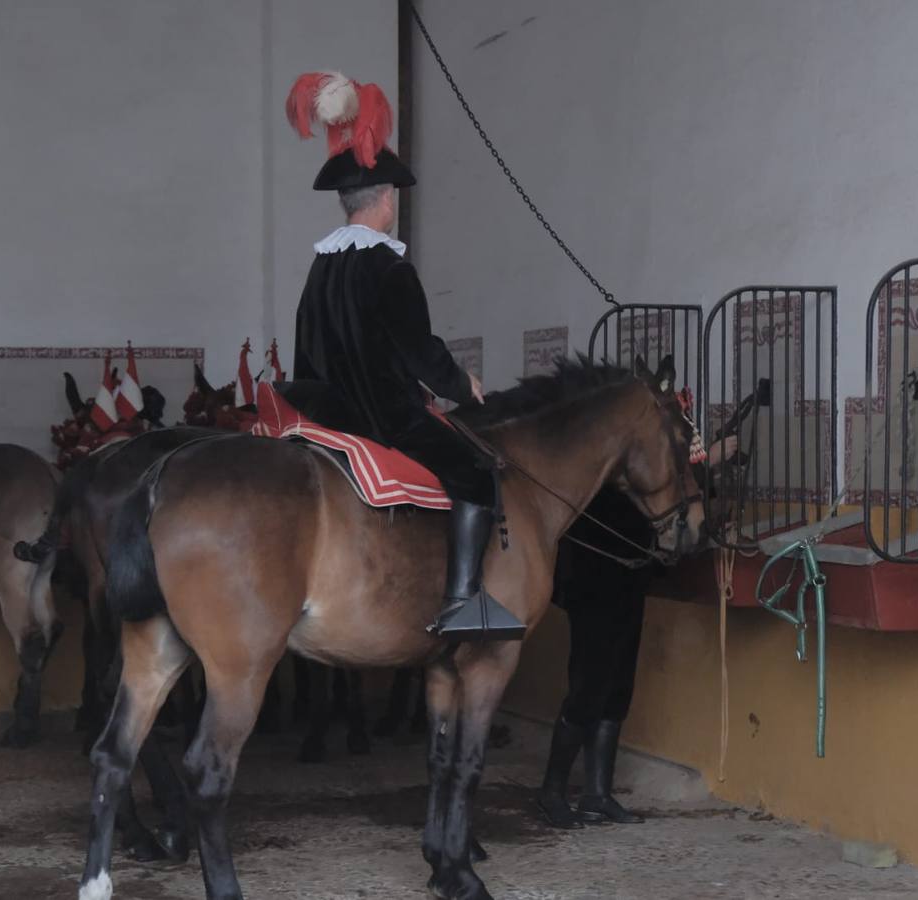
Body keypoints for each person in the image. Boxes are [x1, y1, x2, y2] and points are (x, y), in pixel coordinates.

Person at [284, 71, 523, 642]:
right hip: (380, 415)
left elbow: (306, 343)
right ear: (386, 200)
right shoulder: (390, 268)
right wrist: (463, 385)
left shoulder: (322, 266)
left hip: (318, 411)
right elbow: (417, 350)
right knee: (478, 471)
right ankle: (463, 601)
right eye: (394, 196)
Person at [537, 434, 737, 827]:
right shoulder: (612, 459)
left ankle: (597, 795)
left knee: (617, 690)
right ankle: (552, 791)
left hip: (630, 580)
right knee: (587, 688)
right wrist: (705, 462)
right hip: (593, 584)